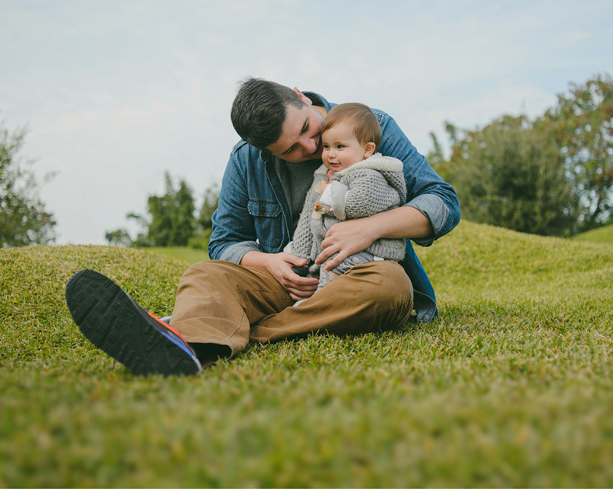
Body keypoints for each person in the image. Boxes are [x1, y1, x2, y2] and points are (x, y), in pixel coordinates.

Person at [66, 78, 460, 376]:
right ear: (262, 149)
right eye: (289, 150)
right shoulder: (244, 161)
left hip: (358, 276)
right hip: (288, 281)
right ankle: (193, 340)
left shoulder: (369, 125)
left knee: (391, 287)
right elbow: (224, 241)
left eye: (308, 129)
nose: (309, 148)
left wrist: (371, 227)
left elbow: (443, 201)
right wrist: (270, 263)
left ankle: (206, 335)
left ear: (300, 96)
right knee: (204, 274)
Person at [286, 102, 406, 298]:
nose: (331, 154)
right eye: (326, 146)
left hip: (368, 253)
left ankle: (317, 306)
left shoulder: (369, 173)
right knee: (323, 272)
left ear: (367, 149)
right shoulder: (326, 176)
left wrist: (328, 193)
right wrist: (297, 255)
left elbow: (361, 202)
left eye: (340, 146)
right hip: (330, 252)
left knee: (333, 275)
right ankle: (315, 304)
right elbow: (310, 213)